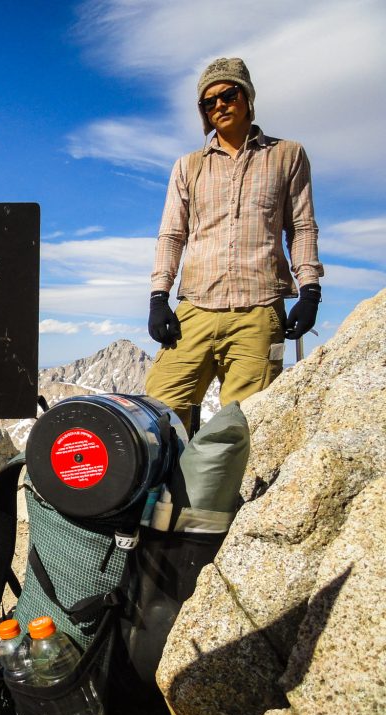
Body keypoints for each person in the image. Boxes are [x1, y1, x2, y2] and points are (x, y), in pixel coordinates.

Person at [144, 57, 324, 434]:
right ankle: (170, 493)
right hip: (195, 308)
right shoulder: (188, 166)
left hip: (258, 312)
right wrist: (159, 297)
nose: (220, 105)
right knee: (159, 411)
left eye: (229, 94)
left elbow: (302, 227)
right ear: (204, 113)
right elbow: (172, 235)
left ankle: (228, 496)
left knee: (241, 425)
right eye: (209, 102)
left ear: (248, 97)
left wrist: (310, 290)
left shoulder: (287, 155)